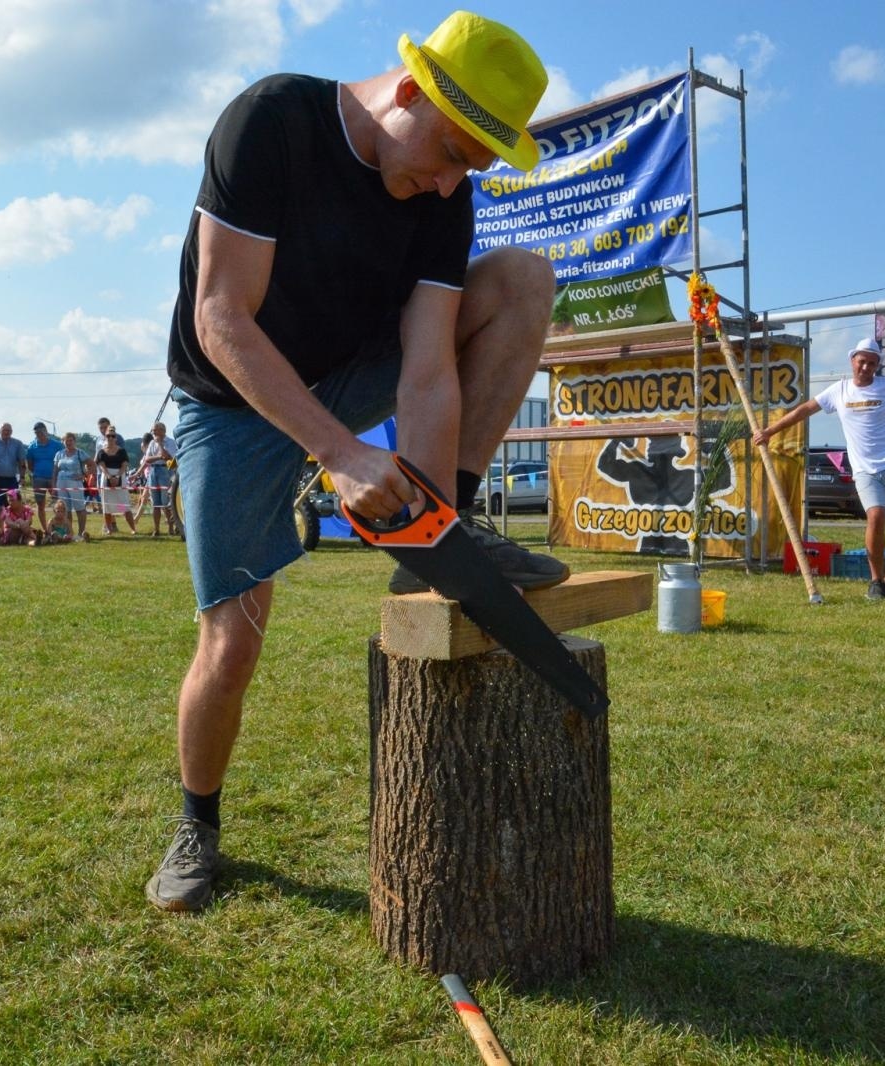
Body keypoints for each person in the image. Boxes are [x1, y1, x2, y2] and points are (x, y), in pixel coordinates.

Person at [145, 11, 566, 913]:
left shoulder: (443, 195)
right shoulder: (272, 124)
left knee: (524, 279)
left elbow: (424, 371)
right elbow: (222, 319)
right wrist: (337, 454)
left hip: (350, 372)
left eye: (471, 170)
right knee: (232, 640)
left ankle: (452, 529)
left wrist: (432, 521)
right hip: (233, 399)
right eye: (450, 152)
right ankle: (198, 827)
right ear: (410, 91)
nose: (450, 182)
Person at [753, 337, 885, 600]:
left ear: (877, 366)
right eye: (862, 362)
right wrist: (769, 431)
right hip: (864, 468)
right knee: (875, 516)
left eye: (872, 364)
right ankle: (875, 580)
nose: (866, 368)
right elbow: (805, 409)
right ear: (853, 361)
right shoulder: (838, 391)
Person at [52, 431, 95, 541]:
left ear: (74, 441)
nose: (68, 442)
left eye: (71, 440)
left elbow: (92, 464)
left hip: (75, 483)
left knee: (79, 508)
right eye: (66, 441)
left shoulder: (80, 453)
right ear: (63, 442)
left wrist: (85, 475)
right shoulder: (59, 454)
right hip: (61, 483)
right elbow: (55, 470)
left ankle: (81, 533)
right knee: (65, 509)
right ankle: (69, 533)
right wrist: (53, 484)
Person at [95, 431, 138, 535]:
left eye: (112, 436)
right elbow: (102, 466)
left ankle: (133, 529)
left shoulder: (122, 451)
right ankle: (109, 529)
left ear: (116, 438)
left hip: (120, 477)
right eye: (108, 436)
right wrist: (109, 477)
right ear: (105, 437)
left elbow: (124, 465)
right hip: (106, 478)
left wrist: (117, 476)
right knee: (107, 506)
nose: (110, 438)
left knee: (123, 504)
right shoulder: (101, 452)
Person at [140, 421, 177, 537]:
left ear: (162, 430)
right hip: (153, 472)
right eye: (153, 431)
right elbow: (147, 459)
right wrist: (159, 456)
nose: (153, 433)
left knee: (165, 502)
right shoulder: (151, 443)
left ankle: (171, 527)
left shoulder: (170, 442)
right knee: (155, 503)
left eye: (155, 430)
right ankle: (156, 529)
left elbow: (170, 459)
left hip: (165, 471)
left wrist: (160, 445)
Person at [26, 422, 63, 534]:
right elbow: (30, 464)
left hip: (54, 479)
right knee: (40, 504)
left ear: (46, 431)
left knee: (59, 504)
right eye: (36, 433)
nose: (39, 434)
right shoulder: (32, 447)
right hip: (38, 479)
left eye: (41, 432)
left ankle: (60, 527)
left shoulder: (57, 445)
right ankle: (45, 529)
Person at [0, 422, 26, 512]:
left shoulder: (18, 444)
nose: (7, 432)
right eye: (4, 430)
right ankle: (1, 527)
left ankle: (11, 526)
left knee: (14, 506)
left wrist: (22, 477)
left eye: (9, 430)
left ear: (12, 432)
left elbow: (22, 463)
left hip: (12, 480)